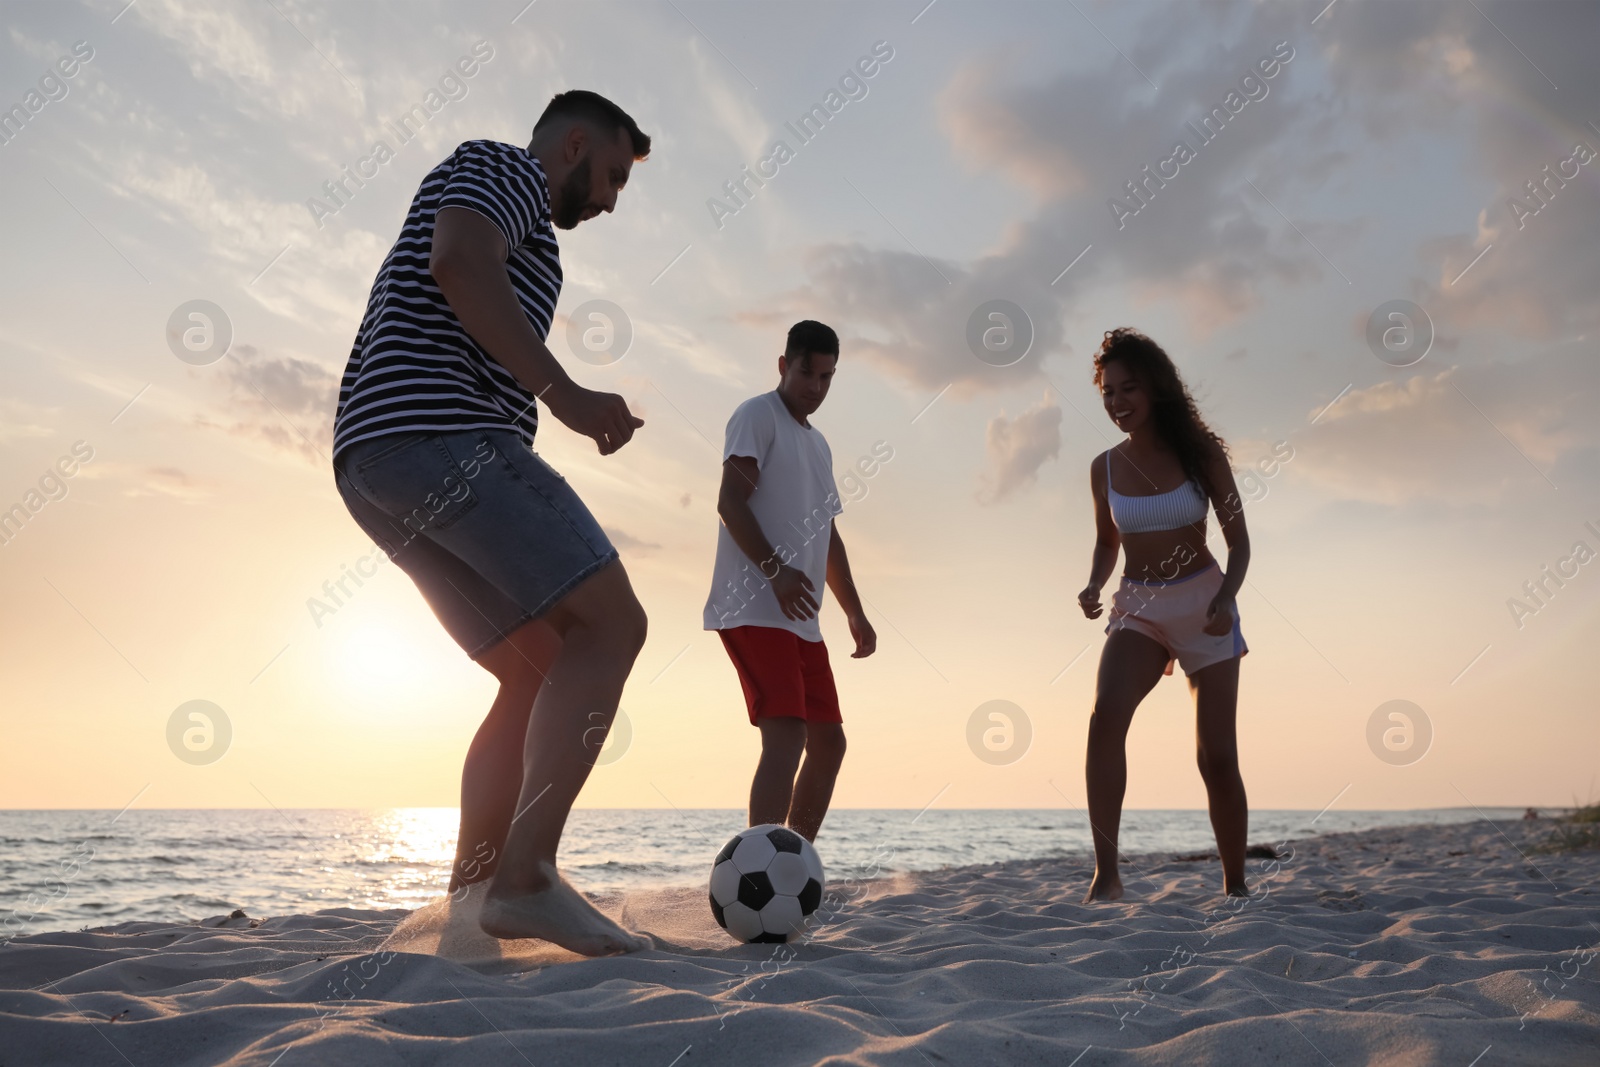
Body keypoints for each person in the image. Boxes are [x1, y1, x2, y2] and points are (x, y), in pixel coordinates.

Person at [330, 90, 654, 956]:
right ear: (575, 143)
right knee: (614, 622)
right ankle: (526, 876)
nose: (615, 198)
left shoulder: (532, 230)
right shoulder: (503, 164)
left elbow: (470, 287)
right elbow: (459, 263)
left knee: (536, 666)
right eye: (615, 174)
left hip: (375, 462)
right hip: (439, 435)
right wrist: (570, 396)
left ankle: (476, 897)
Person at [1076, 327, 1252, 902]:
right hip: (1140, 607)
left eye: (1128, 389)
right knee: (1105, 718)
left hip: (1204, 605)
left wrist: (1226, 599)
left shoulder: (1201, 454)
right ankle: (1107, 875)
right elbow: (1107, 542)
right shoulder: (1103, 468)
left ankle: (1235, 885)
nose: (1117, 402)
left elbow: (1239, 543)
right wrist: (1093, 582)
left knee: (1216, 757)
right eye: (1107, 392)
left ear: (1156, 389)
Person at [703, 321, 877, 842]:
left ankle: (794, 859)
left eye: (827, 377)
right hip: (754, 605)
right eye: (806, 372)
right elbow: (729, 501)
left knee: (829, 744)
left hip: (801, 620)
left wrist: (854, 610)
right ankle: (759, 869)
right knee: (787, 736)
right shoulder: (758, 415)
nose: (815, 387)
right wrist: (776, 572)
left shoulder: (818, 444)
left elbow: (829, 535)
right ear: (783, 365)